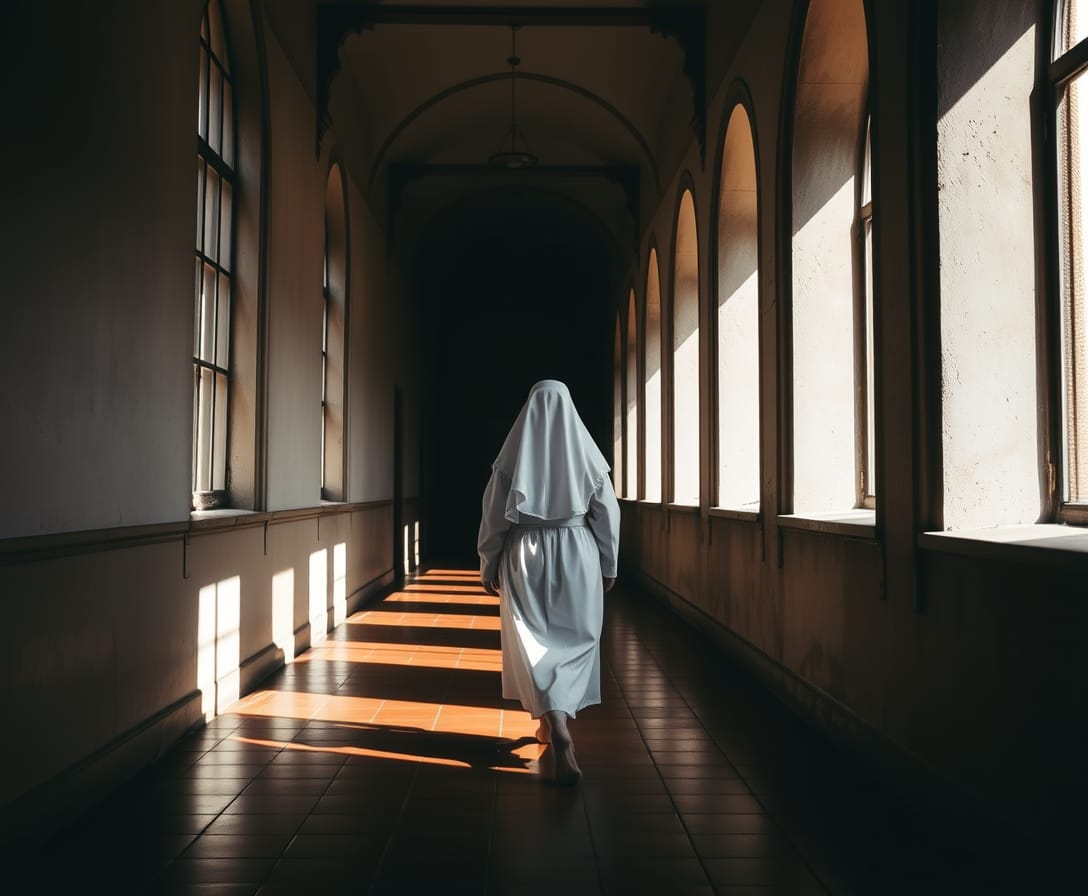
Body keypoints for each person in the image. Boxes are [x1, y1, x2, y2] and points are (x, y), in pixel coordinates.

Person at [477, 379, 620, 784]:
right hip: (577, 551)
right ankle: (558, 721)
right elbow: (607, 514)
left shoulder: (512, 459)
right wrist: (609, 564)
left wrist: (488, 563)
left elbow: (492, 518)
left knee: (533, 640)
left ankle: (550, 721)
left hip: (525, 553)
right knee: (575, 638)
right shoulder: (588, 458)